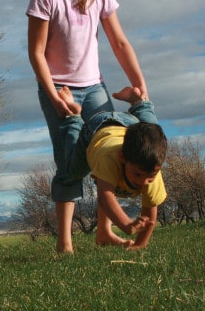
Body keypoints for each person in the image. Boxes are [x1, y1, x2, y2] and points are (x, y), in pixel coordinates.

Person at [27, 0, 149, 253]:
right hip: (59, 87)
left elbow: (119, 42)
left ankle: (104, 232)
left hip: (94, 87)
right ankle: (65, 243)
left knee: (109, 151)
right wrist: (53, 96)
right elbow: (36, 53)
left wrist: (141, 86)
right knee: (69, 161)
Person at [57, 85, 167, 250]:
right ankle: (73, 117)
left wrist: (139, 245)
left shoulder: (151, 172)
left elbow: (150, 216)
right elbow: (105, 197)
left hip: (131, 124)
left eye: (149, 176)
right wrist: (126, 224)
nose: (144, 182)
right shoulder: (110, 159)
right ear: (122, 158)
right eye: (137, 174)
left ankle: (139, 102)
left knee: (151, 131)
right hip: (97, 129)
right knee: (73, 172)